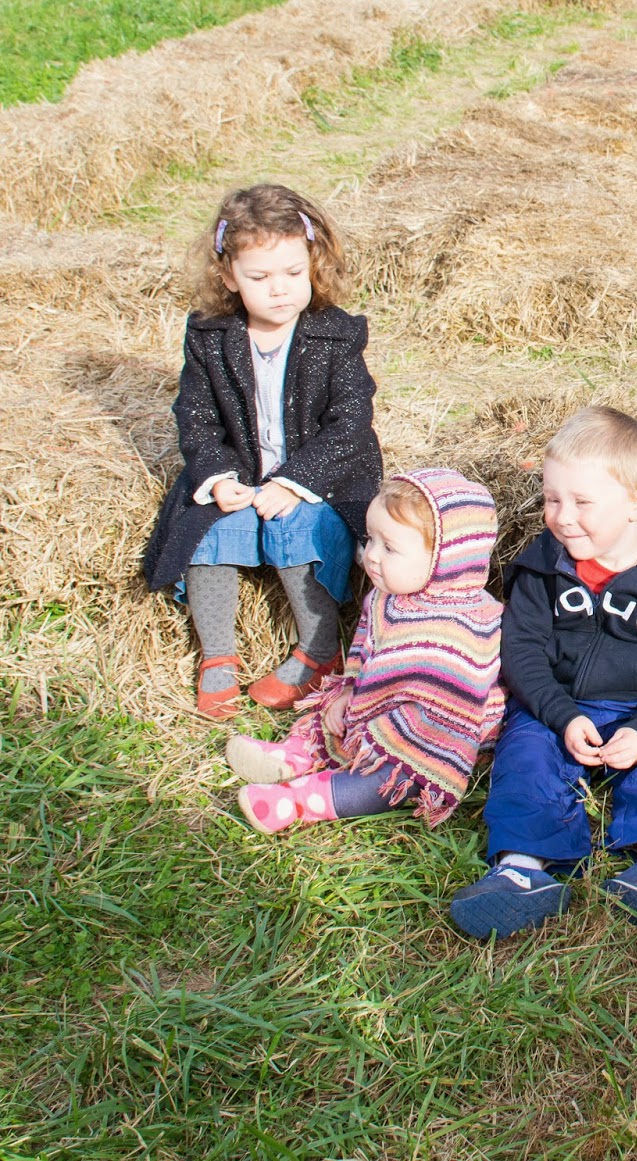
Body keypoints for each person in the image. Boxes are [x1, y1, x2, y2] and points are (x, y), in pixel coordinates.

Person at [449, 407, 637, 938]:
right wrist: (561, 715)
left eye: (581, 502)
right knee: (525, 759)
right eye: (551, 499)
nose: (562, 516)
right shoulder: (543, 565)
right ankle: (521, 871)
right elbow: (522, 651)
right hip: (556, 705)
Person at [143, 183, 382, 719]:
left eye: (293, 273)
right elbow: (197, 416)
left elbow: (350, 424)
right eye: (259, 277)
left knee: (293, 525)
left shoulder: (336, 334)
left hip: (322, 477)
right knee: (207, 524)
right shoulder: (210, 335)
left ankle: (318, 649)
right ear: (228, 276)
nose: (279, 290)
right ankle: (217, 654)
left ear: (313, 263)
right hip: (245, 472)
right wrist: (218, 476)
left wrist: (295, 482)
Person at [232, 469, 505, 831]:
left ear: (447, 559)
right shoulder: (385, 599)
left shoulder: (466, 625)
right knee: (329, 716)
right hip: (379, 708)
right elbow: (365, 650)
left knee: (394, 778)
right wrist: (350, 691)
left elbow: (450, 708)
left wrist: (387, 724)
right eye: (371, 539)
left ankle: (303, 800)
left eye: (389, 547)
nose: (372, 556)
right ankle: (291, 756)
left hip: (431, 733)